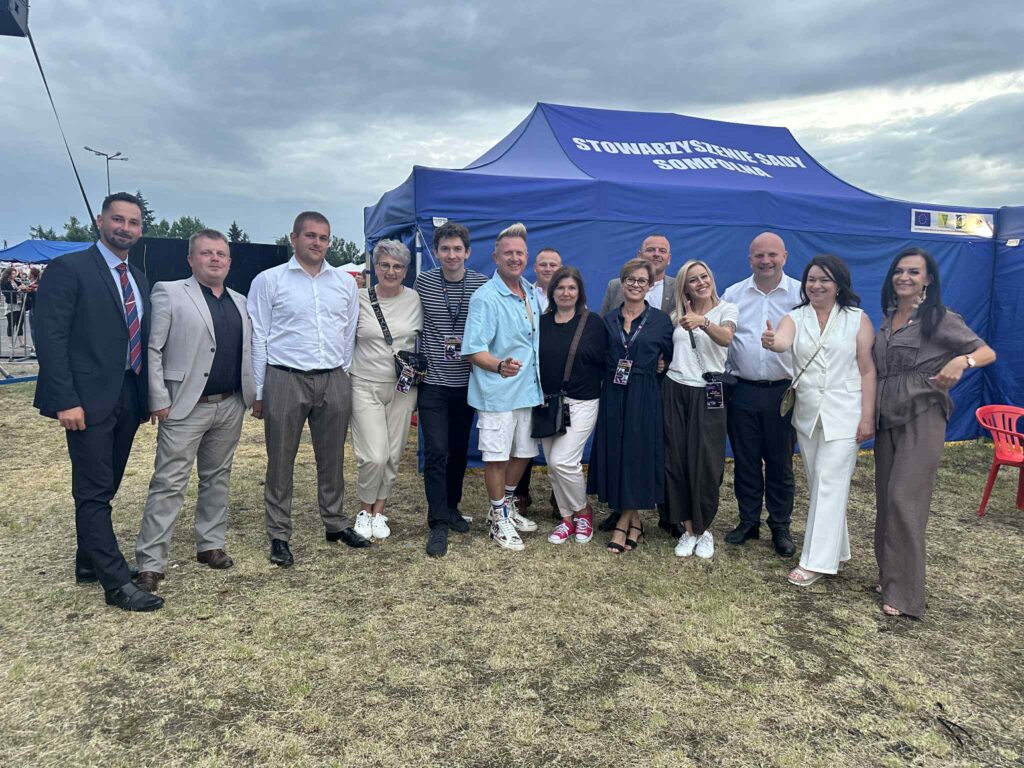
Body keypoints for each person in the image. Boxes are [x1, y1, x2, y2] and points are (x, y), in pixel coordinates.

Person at [33, 192, 162, 612]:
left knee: (106, 485)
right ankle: (115, 581)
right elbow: (50, 338)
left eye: (134, 222)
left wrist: (146, 397)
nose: (125, 228)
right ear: (100, 221)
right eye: (118, 219)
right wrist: (65, 400)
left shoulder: (138, 277)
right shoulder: (69, 268)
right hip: (85, 401)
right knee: (93, 492)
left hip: (127, 394)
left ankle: (88, 562)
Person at [873, 247, 995, 617]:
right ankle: (889, 576)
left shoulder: (939, 317)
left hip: (922, 413)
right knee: (885, 499)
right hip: (886, 416)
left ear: (928, 279)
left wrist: (961, 360)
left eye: (914, 272)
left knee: (905, 499)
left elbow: (986, 352)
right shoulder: (889, 317)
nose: (904, 277)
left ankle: (905, 595)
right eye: (899, 271)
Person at [134, 230, 255, 593]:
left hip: (229, 404)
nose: (215, 259)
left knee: (217, 477)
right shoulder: (169, 292)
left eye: (221, 253)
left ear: (229, 261)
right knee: (169, 483)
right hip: (184, 406)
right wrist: (158, 397)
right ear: (191, 259)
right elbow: (153, 349)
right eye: (206, 253)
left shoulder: (240, 301)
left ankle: (210, 545)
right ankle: (151, 562)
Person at [248, 211, 364, 568]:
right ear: (294, 238)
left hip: (332, 377)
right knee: (280, 459)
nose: (317, 243)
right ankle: (279, 533)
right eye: (310, 235)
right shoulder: (269, 280)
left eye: (323, 237)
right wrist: (259, 390)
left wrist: (341, 373)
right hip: (285, 377)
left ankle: (335, 522)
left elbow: (348, 332)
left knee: (332, 457)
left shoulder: (344, 283)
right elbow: (259, 336)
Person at [761, 255, 876, 585]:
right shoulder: (795, 317)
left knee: (829, 482)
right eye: (811, 279)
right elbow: (783, 341)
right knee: (820, 482)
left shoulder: (857, 319)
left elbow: (867, 369)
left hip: (847, 412)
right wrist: (773, 342)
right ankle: (837, 549)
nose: (816, 285)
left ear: (838, 284)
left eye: (824, 279)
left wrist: (867, 416)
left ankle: (815, 561)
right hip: (809, 414)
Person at [721, 231, 803, 556]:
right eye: (759, 256)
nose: (766, 261)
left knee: (780, 463)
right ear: (749, 259)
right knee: (746, 461)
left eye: (772, 255)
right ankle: (748, 521)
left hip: (783, 392)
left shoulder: (801, 294)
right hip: (742, 390)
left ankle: (780, 526)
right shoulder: (733, 294)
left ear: (784, 257)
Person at [464, 222, 544, 551]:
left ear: (527, 257)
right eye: (508, 253)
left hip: (528, 391)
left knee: (524, 453)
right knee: (497, 458)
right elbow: (473, 350)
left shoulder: (531, 292)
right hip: (497, 394)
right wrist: (498, 365)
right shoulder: (485, 297)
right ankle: (498, 518)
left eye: (520, 253)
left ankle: (506, 507)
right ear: (495, 257)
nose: (514, 258)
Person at [588, 258, 674, 553]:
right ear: (622, 283)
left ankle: (623, 524)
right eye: (631, 279)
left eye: (642, 280)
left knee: (638, 454)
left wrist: (658, 368)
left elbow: (669, 358)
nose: (636, 285)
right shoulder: (608, 319)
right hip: (614, 392)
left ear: (650, 286)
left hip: (644, 393)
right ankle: (635, 522)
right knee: (618, 453)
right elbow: (599, 356)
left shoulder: (661, 321)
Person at [415, 222, 489, 557]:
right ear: (436, 251)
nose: (451, 255)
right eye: (445, 249)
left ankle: (452, 507)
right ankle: (438, 522)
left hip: (467, 385)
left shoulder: (481, 285)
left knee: (459, 450)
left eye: (457, 248)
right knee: (436, 451)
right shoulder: (424, 282)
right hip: (433, 384)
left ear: (467, 252)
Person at [349, 239, 423, 542]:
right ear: (375, 268)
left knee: (392, 454)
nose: (391, 271)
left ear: (405, 271)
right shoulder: (357, 298)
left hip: (402, 387)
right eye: (385, 265)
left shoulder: (415, 299)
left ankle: (379, 510)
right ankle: (364, 510)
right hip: (364, 383)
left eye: (397, 266)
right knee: (373, 456)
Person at [664, 260, 737, 560]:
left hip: (708, 392)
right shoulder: (675, 316)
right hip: (675, 387)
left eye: (704, 276)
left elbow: (727, 338)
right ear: (685, 287)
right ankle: (688, 528)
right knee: (676, 459)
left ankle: (703, 528)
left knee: (706, 461)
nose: (700, 283)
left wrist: (703, 322)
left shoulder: (727, 310)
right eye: (692, 280)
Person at [537, 266, 607, 544]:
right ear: (552, 291)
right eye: (560, 287)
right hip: (547, 403)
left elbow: (606, 360)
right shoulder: (541, 323)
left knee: (563, 461)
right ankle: (567, 520)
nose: (566, 293)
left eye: (571, 288)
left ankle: (583, 512)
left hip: (582, 401)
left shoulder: (593, 323)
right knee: (552, 466)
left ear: (580, 292)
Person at [513, 247, 563, 514]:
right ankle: (520, 494)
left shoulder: (569, 296)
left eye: (553, 265)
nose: (548, 269)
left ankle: (559, 497)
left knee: (559, 435)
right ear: (534, 268)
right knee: (524, 434)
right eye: (543, 264)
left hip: (556, 376)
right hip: (526, 376)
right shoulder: (524, 294)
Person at [599, 234, 677, 315]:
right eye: (650, 250)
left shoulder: (678, 288)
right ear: (639, 256)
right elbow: (603, 321)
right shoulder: (615, 286)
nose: (656, 254)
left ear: (669, 259)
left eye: (662, 251)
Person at [2, 266, 26, 349]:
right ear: (8, 274)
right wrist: (18, 290)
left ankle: (22, 342)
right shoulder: (4, 282)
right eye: (12, 273)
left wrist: (23, 287)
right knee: (11, 323)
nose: (14, 275)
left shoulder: (16, 281)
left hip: (19, 304)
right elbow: (7, 293)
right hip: (11, 305)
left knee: (20, 323)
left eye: (15, 273)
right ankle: (11, 343)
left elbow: (23, 287)